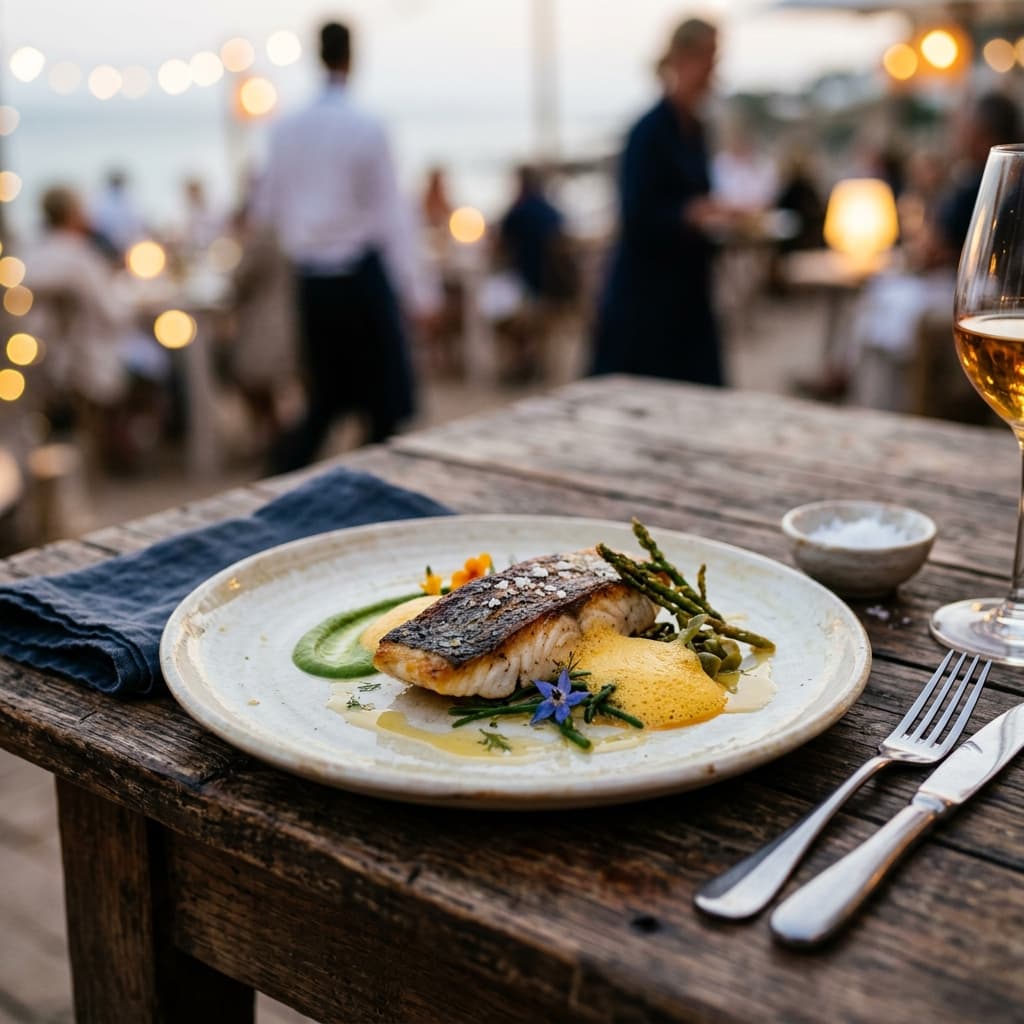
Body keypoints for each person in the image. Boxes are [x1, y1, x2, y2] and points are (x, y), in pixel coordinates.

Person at [252, 20, 418, 471]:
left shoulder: (284, 129)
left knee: (325, 400)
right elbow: (391, 216)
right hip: (360, 280)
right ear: (351, 56)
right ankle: (365, 491)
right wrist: (419, 290)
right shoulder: (365, 126)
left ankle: (285, 481)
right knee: (381, 406)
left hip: (312, 285)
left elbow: (266, 210)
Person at [591, 18, 732, 385]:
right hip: (648, 303)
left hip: (689, 296)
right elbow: (634, 216)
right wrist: (692, 213)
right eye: (711, 58)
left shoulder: (697, 129)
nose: (715, 70)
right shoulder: (648, 132)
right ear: (685, 59)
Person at [90, 169, 145, 260]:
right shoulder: (102, 200)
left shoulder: (129, 200)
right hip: (106, 246)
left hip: (129, 246)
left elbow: (137, 224)